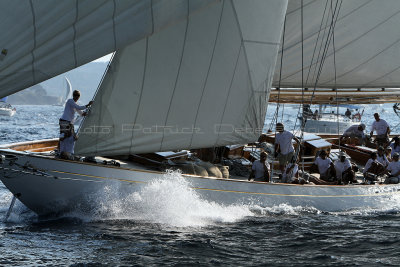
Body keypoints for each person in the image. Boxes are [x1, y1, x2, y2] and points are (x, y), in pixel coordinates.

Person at [59, 90, 93, 157]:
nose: (76, 97)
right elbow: (78, 107)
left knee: (73, 137)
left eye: (77, 96)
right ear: (73, 95)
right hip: (64, 121)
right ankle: (61, 151)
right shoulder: (70, 101)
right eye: (75, 95)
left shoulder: (75, 104)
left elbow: (81, 112)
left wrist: (86, 113)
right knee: (63, 136)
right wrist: (88, 104)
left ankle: (68, 152)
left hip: (70, 123)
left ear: (79, 97)